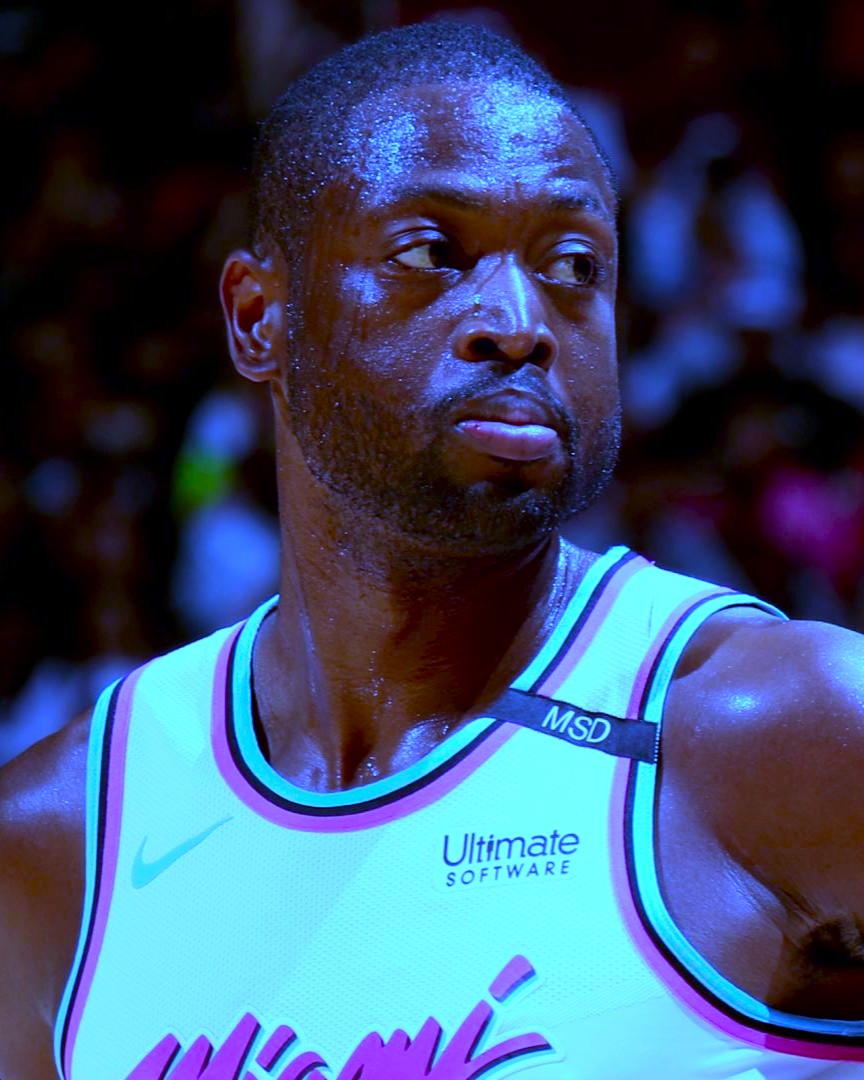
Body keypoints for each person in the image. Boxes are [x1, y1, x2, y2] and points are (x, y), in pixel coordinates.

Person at [2, 20, 864, 1080]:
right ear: (260, 318)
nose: (517, 320)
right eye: (430, 255)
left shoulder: (791, 732)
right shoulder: (59, 843)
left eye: (574, 265)